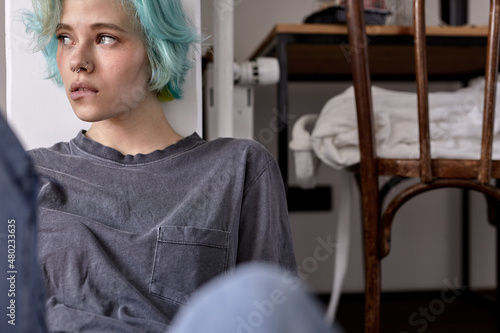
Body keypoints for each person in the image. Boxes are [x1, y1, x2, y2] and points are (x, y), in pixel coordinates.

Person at [24, 0, 297, 331]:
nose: (77, 61)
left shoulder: (239, 169)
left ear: (156, 49)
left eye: (105, 38)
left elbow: (274, 316)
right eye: (65, 38)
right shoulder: (28, 176)